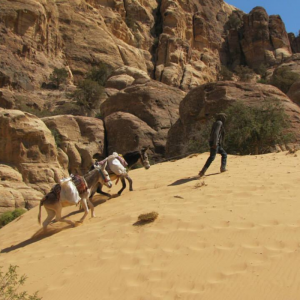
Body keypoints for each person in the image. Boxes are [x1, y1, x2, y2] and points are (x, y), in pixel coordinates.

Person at [199, 113, 228, 177]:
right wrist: (215, 143)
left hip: (216, 143)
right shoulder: (219, 123)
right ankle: (202, 171)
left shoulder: (217, 123)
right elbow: (216, 133)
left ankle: (223, 168)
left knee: (224, 154)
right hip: (215, 143)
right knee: (212, 157)